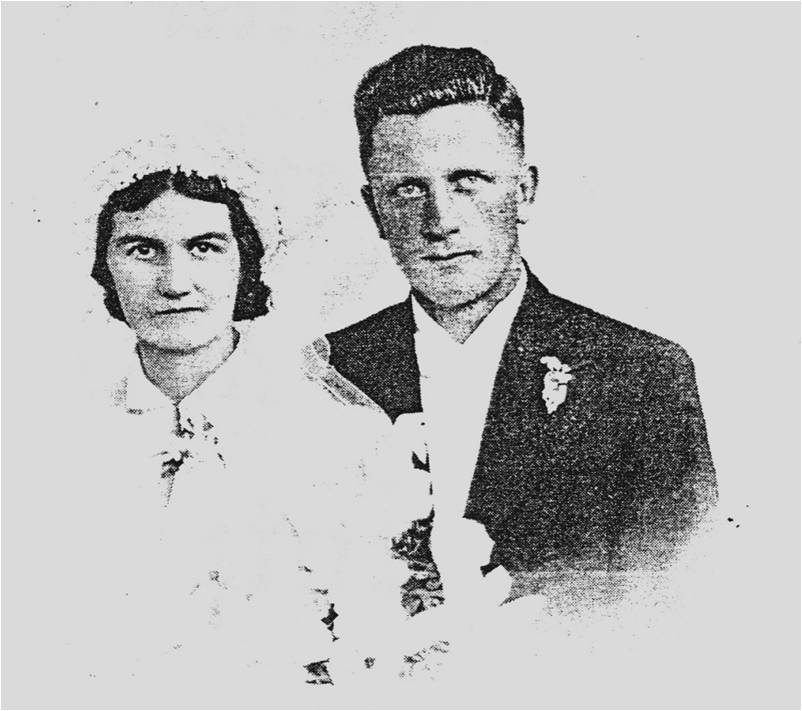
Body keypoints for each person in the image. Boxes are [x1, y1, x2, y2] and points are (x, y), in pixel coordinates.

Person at [324, 45, 718, 611]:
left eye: (468, 180)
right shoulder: (324, 371)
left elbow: (678, 603)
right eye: (408, 189)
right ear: (374, 212)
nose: (440, 221)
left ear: (524, 191)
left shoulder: (640, 374)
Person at [42, 165, 427, 704]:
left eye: (204, 248)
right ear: (104, 267)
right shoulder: (53, 440)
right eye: (142, 250)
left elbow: (383, 644)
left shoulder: (339, 436)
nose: (175, 282)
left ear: (245, 263)